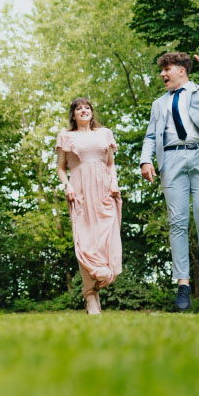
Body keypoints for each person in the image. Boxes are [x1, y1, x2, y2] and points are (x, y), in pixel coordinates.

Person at [140, 41, 199, 312]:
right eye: (161, 70)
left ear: (181, 70)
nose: (162, 74)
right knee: (177, 221)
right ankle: (182, 284)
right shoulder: (159, 103)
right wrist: (146, 159)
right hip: (172, 160)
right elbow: (151, 135)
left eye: (166, 69)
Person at [56, 98, 122, 315]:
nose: (83, 110)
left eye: (87, 107)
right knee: (84, 241)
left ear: (92, 113)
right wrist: (67, 186)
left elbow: (110, 163)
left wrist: (114, 182)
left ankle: (100, 282)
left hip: (104, 190)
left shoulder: (105, 133)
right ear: (73, 115)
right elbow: (61, 168)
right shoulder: (66, 136)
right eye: (78, 108)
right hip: (80, 191)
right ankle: (90, 295)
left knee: (106, 238)